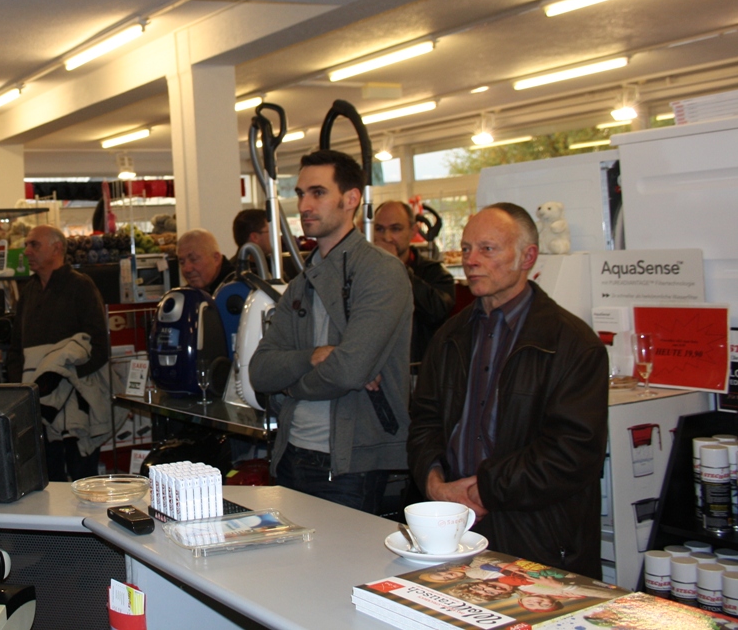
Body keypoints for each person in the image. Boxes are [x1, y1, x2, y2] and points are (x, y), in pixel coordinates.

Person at [408, 203, 607, 576]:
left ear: (527, 257)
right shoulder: (449, 337)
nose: (471, 260)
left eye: (488, 249)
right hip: (451, 532)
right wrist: (435, 485)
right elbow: (424, 421)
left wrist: (486, 489)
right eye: (466, 248)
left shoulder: (573, 344)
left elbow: (573, 453)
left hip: (538, 540)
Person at [249, 149, 412, 513]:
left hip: (351, 467)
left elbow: (348, 370)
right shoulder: (302, 282)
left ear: (351, 199)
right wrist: (311, 357)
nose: (304, 205)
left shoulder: (381, 272)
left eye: (318, 193)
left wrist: (290, 387)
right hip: (290, 456)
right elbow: (259, 370)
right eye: (300, 194)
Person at [5, 225, 109, 480]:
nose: (27, 251)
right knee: (47, 480)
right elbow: (16, 347)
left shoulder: (81, 286)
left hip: (75, 406)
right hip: (38, 406)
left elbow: (98, 346)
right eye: (26, 245)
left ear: (57, 248)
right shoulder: (28, 291)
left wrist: (66, 378)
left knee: (83, 479)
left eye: (34, 245)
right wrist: (23, 387)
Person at [372, 200, 456, 369]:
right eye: (379, 229)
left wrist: (397, 268)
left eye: (396, 229)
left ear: (413, 231)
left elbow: (437, 312)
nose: (386, 237)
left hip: (417, 370)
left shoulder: (434, 273)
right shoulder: (364, 272)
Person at [232, 208, 300, 280]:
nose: (276, 236)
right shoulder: (235, 275)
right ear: (254, 237)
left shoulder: (274, 264)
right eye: (271, 231)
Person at [176, 229, 235, 294]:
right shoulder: (186, 295)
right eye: (182, 262)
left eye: (193, 259)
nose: (187, 269)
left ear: (216, 258)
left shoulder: (238, 290)